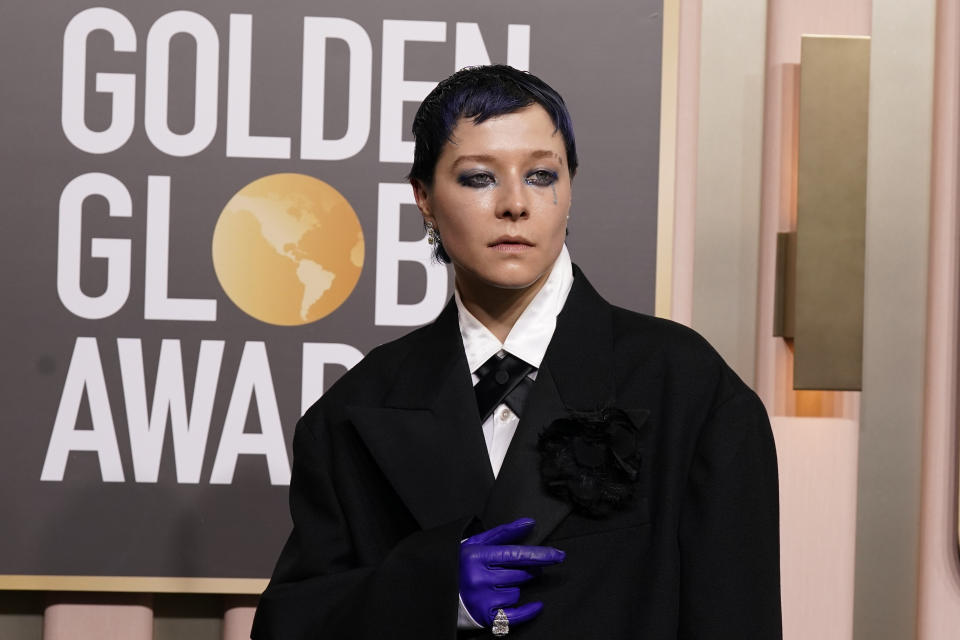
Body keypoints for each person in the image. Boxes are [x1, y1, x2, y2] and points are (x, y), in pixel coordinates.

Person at [251, 65, 781, 639]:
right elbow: (290, 624)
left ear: (570, 188)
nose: (514, 204)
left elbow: (736, 614)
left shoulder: (687, 387)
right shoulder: (352, 413)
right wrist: (434, 592)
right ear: (424, 198)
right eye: (478, 178)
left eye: (541, 174)